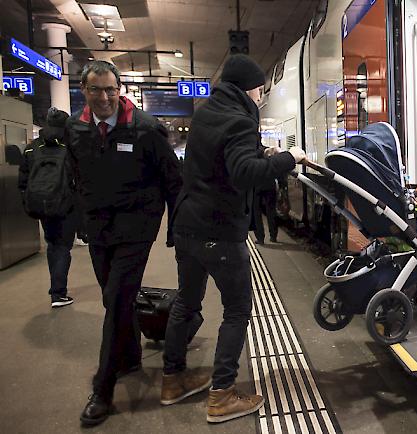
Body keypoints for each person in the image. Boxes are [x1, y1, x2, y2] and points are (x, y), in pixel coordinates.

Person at [161, 54, 307, 423]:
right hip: (218, 231)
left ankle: (172, 380)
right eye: (259, 90)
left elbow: (223, 161)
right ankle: (222, 395)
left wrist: (263, 152)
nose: (260, 97)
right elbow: (243, 173)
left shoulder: (207, 114)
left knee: (186, 303)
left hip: (186, 227)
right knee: (238, 310)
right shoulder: (241, 119)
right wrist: (289, 157)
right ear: (249, 88)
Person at [65, 60, 183, 426]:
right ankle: (129, 355)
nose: (104, 97)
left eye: (110, 90)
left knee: (116, 298)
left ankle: (103, 389)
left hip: (136, 227)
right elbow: (75, 177)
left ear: (120, 91)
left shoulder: (146, 130)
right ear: (84, 90)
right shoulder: (76, 128)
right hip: (99, 228)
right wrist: (80, 219)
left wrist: (173, 229)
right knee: (113, 297)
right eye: (96, 90)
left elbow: (173, 182)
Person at [18, 107, 76, 308]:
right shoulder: (71, 147)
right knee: (62, 246)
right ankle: (58, 293)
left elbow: (23, 181)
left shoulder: (32, 147)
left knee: (53, 244)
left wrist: (28, 201)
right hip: (66, 205)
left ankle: (57, 290)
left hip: (42, 204)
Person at [253, 154, 279, 244]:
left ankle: (260, 238)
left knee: (256, 213)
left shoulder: (251, 154)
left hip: (256, 187)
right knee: (271, 211)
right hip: (269, 185)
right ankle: (273, 236)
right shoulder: (267, 154)